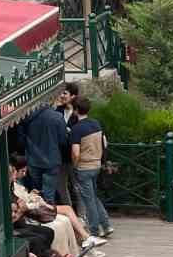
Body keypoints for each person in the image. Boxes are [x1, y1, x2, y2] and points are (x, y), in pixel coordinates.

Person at [68, 94, 112, 241]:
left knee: (89, 200)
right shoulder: (96, 124)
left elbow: (75, 152)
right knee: (93, 196)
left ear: (75, 110)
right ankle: (106, 225)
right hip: (97, 165)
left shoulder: (76, 129)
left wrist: (75, 165)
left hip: (84, 167)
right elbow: (104, 143)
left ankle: (94, 230)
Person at [19, 91, 71, 204]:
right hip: (52, 159)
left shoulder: (27, 117)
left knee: (35, 191)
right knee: (49, 193)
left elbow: (21, 139)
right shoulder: (57, 117)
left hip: (33, 159)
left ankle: (38, 214)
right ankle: (48, 216)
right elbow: (63, 140)